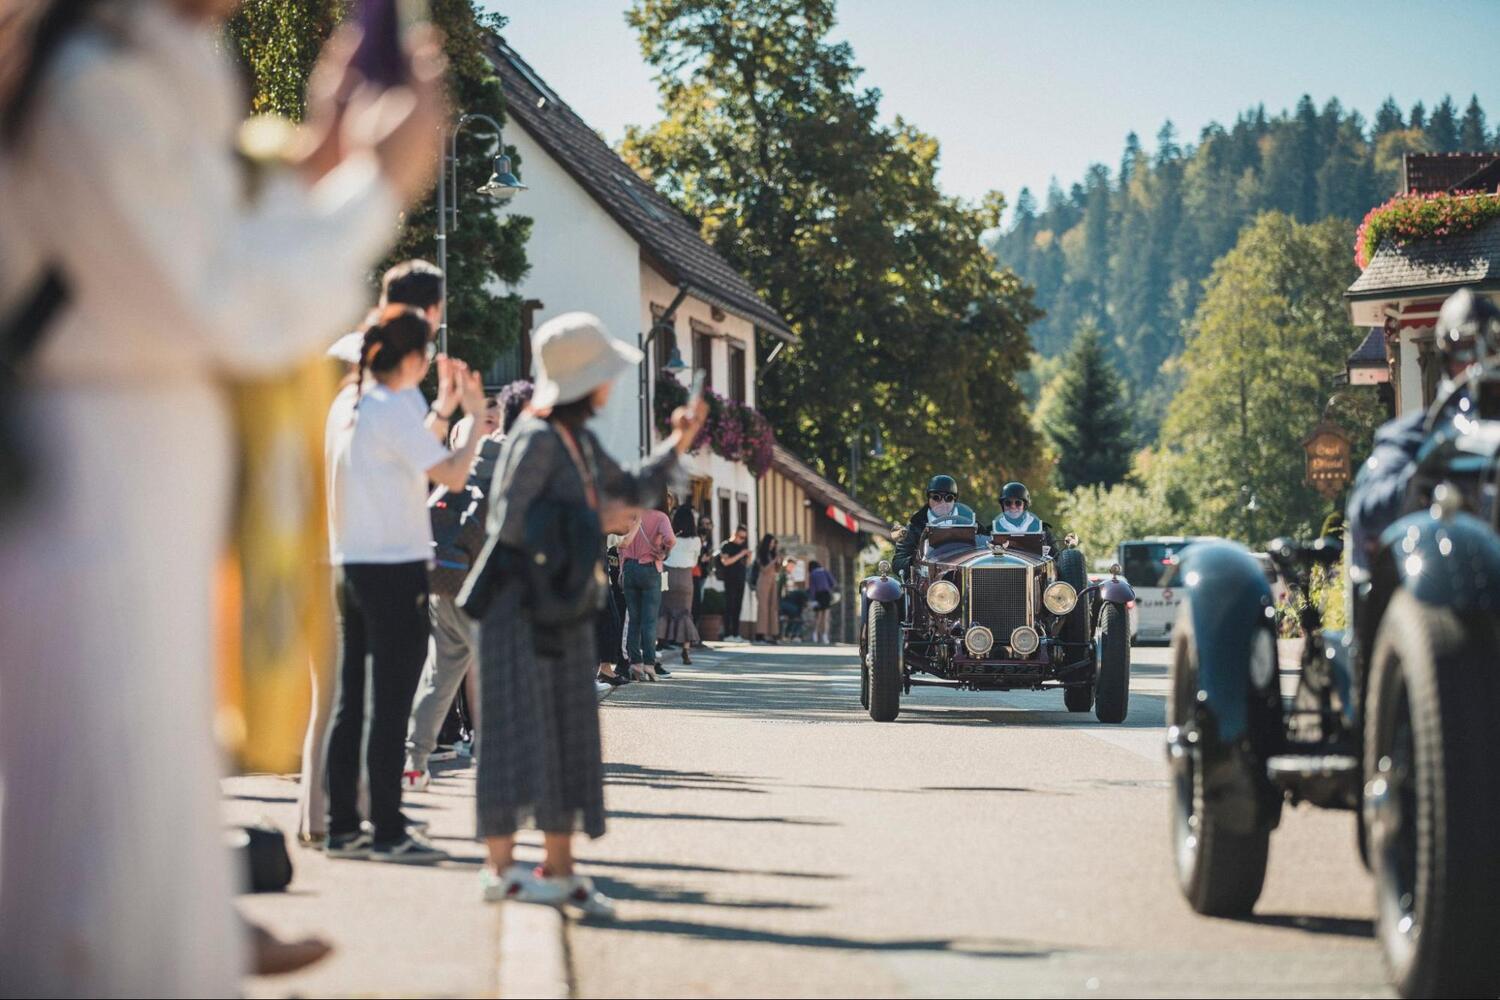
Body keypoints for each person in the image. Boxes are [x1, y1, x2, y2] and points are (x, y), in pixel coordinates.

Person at [0, 3, 444, 992]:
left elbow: (196, 248)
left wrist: (319, 167)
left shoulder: (137, 71)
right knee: (100, 861)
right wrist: (376, 188)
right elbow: (221, 299)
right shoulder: (96, 85)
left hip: (132, 490)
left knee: (138, 816)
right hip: (90, 501)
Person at [473, 311, 705, 916]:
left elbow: (627, 484)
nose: (610, 386)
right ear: (585, 381)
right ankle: (500, 870)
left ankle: (562, 866)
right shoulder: (536, 437)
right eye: (604, 373)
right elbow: (512, 526)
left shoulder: (574, 439)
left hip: (561, 606)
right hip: (519, 609)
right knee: (514, 738)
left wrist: (677, 443)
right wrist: (591, 518)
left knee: (569, 737)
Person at [324, 307, 487, 864]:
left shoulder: (350, 405)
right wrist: (475, 418)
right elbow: (451, 474)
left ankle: (342, 824)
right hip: (395, 569)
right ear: (414, 359)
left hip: (349, 562)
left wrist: (442, 408)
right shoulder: (395, 406)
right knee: (390, 705)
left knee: (353, 702)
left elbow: (405, 459)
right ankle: (389, 828)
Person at [1347, 288, 1500, 572]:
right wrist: (1421, 475)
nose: (1478, 364)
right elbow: (1366, 516)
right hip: (1440, 585)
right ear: (1444, 358)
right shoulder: (1411, 436)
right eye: (1465, 348)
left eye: (1492, 349)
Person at [402, 393, 508, 792]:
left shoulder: (457, 464)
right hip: (483, 588)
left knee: (440, 675)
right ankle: (500, 766)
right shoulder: (507, 457)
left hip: (444, 580)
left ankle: (414, 762)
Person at [619, 505, 675, 679]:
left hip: (629, 568)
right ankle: (650, 664)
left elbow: (621, 544)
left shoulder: (628, 513)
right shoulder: (660, 516)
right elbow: (671, 539)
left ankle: (635, 663)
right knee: (649, 621)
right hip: (650, 569)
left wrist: (622, 569)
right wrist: (664, 553)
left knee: (634, 620)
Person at [892, 475, 978, 576]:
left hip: (962, 579)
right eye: (936, 497)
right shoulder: (914, 527)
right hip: (928, 583)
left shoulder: (971, 524)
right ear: (928, 499)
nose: (942, 502)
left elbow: (986, 546)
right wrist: (915, 560)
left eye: (948, 498)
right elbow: (898, 563)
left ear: (955, 500)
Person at [658, 505, 702, 664]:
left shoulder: (671, 537)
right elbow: (695, 561)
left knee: (664, 610)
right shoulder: (696, 540)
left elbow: (663, 554)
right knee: (685, 613)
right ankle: (686, 649)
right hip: (686, 577)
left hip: (668, 573)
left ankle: (660, 644)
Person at [991, 481, 1058, 550]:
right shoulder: (991, 530)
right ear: (1003, 505)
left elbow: (1055, 557)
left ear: (1024, 505)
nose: (1013, 506)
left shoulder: (1042, 528)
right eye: (1008, 503)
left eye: (1018, 503)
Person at [717, 526, 752, 640]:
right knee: (729, 606)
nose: (742, 540)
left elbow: (746, 564)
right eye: (741, 537)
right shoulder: (726, 545)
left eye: (744, 538)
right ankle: (727, 634)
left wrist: (749, 557)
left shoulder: (742, 547)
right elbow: (726, 562)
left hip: (740, 579)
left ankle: (736, 633)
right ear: (735, 534)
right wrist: (741, 554)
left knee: (738, 607)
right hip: (730, 579)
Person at [752, 533, 781, 642]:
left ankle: (773, 633)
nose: (773, 545)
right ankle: (761, 633)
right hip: (763, 581)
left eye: (774, 543)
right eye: (772, 542)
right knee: (763, 608)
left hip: (773, 581)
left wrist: (778, 562)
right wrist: (773, 561)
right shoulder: (761, 554)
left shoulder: (772, 553)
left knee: (773, 607)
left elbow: (777, 570)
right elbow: (764, 569)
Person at [808, 560, 839, 644]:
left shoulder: (812, 574)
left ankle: (815, 634)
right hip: (826, 594)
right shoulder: (825, 571)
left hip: (818, 595)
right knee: (825, 616)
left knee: (818, 616)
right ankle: (824, 636)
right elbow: (833, 583)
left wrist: (813, 599)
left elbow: (812, 588)